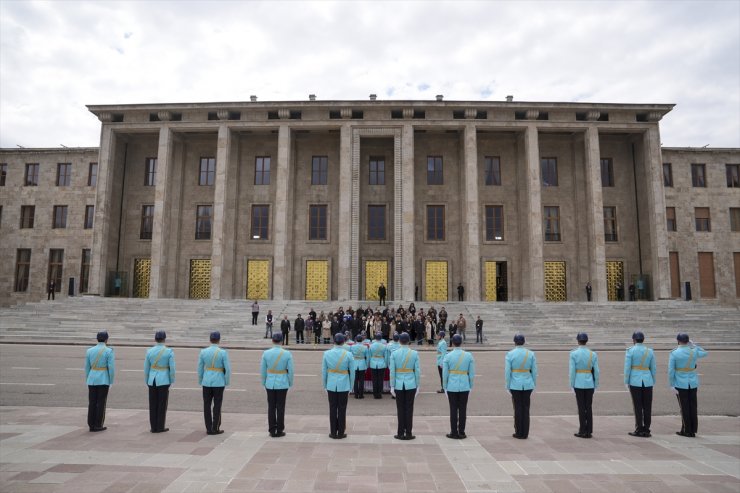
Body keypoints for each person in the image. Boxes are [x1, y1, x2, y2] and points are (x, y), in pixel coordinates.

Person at [669, 333, 708, 437]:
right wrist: (694, 346)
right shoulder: (693, 351)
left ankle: (686, 430)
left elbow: (671, 371)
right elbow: (705, 353)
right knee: (693, 407)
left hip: (680, 383)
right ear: (688, 341)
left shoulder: (674, 353)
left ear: (678, 341)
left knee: (684, 407)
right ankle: (692, 430)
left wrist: (671, 384)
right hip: (692, 382)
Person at [260, 333, 294, 437]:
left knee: (271, 407)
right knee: (280, 407)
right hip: (282, 382)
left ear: (272, 341)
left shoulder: (266, 353)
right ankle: (279, 429)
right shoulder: (287, 354)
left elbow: (263, 370)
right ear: (282, 341)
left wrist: (264, 382)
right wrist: (290, 382)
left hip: (270, 383)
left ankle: (271, 429)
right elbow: (291, 371)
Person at [198, 331, 231, 435]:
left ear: (210, 339)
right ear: (219, 340)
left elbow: (200, 368)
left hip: (206, 381)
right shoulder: (222, 352)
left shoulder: (203, 352)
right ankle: (215, 427)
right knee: (217, 405)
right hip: (219, 381)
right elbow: (228, 369)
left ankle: (208, 428)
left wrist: (201, 380)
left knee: (206, 405)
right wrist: (226, 381)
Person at [505, 334, 537, 439]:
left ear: (514, 342)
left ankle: (518, 431)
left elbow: (507, 372)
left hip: (515, 384)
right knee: (526, 408)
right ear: (524, 342)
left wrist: (507, 385)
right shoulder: (531, 354)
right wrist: (533, 383)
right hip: (528, 383)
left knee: (517, 408)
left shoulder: (510, 354)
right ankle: (525, 432)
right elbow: (534, 371)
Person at [624, 331, 655, 438]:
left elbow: (627, 368)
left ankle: (639, 428)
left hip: (635, 380)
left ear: (634, 340)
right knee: (647, 406)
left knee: (637, 406)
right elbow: (653, 368)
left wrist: (626, 381)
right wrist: (652, 381)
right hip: (647, 380)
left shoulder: (630, 351)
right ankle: (646, 429)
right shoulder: (649, 351)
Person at [389, 332, 420, 440]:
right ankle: (409, 433)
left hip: (398, 384)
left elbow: (392, 372)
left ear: (399, 341)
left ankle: (400, 432)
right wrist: (418, 385)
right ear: (408, 341)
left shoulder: (394, 354)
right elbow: (417, 371)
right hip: (411, 383)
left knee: (400, 409)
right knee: (409, 409)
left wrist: (392, 386)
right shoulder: (414, 353)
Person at [322, 333, 354, 439]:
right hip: (344, 384)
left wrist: (325, 385)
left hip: (331, 383)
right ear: (344, 342)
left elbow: (324, 372)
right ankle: (340, 432)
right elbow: (352, 372)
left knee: (332, 408)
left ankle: (333, 431)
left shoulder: (327, 354)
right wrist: (351, 386)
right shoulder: (348, 354)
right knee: (342, 409)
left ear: (334, 341)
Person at [443, 334, 475, 439]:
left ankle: (453, 431)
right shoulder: (468, 355)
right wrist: (471, 385)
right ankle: (462, 431)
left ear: (452, 343)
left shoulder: (448, 356)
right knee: (462, 409)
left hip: (452, 385)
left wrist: (445, 386)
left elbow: (445, 374)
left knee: (453, 409)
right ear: (461, 342)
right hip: (464, 385)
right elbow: (471, 373)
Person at [144, 330, 175, 433]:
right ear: (164, 339)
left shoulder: (149, 351)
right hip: (164, 379)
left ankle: (153, 427)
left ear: (155, 339)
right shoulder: (169, 351)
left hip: (152, 380)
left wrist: (147, 381)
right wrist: (171, 380)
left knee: (152, 404)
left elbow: (146, 368)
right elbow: (172, 368)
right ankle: (160, 426)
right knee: (162, 404)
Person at [570, 332, 599, 438]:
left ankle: (582, 429)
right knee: (589, 407)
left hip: (578, 382)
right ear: (586, 341)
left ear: (578, 341)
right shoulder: (593, 354)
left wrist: (571, 384)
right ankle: (589, 430)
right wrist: (596, 384)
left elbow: (572, 371)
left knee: (581, 407)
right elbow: (596, 371)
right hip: (589, 382)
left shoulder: (574, 354)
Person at [85, 331, 115, 432]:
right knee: (101, 402)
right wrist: (111, 381)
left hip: (92, 379)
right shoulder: (109, 351)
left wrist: (88, 379)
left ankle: (91, 424)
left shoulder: (89, 350)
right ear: (106, 339)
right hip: (103, 379)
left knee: (92, 402)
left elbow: (87, 367)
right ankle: (98, 424)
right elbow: (111, 368)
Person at [368, 333, 387, 399]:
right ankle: (379, 393)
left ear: (375, 338)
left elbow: (369, 356)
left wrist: (369, 363)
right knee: (380, 379)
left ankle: (375, 393)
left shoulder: (371, 346)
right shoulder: (384, 346)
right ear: (381, 338)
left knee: (374, 380)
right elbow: (386, 356)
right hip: (381, 363)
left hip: (373, 363)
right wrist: (386, 363)